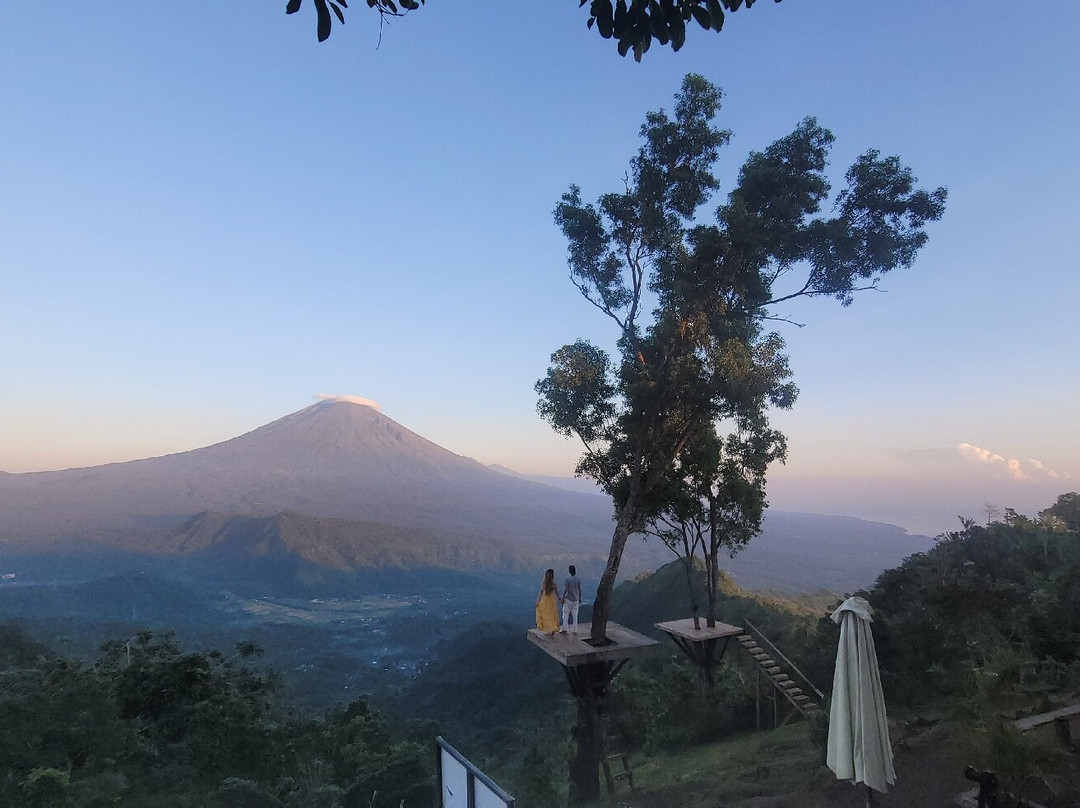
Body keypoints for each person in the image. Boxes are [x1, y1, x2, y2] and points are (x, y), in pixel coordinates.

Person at [535, 568, 560, 635]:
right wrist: (560, 598)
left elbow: (541, 591)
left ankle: (547, 628)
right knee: (552, 614)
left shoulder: (545, 581)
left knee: (545, 614)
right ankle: (553, 628)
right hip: (552, 600)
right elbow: (557, 591)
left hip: (545, 599)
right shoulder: (553, 582)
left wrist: (538, 600)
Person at [561, 564, 582, 634]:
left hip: (568, 599)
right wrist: (580, 598)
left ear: (569, 571)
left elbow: (565, 590)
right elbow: (579, 590)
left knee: (565, 614)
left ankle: (565, 628)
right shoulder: (578, 579)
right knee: (575, 615)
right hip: (576, 599)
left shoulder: (567, 580)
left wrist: (563, 598)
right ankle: (575, 630)